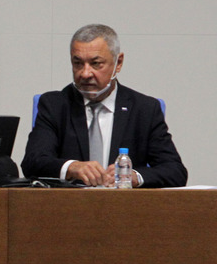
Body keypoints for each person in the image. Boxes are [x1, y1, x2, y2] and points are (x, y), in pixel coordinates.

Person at [21, 24, 187, 188]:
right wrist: (71, 167)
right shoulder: (55, 105)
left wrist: (133, 177)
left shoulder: (144, 109)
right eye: (78, 63)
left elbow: (175, 171)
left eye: (96, 64)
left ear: (118, 63)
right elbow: (32, 162)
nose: (85, 73)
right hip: (69, 203)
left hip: (123, 203)